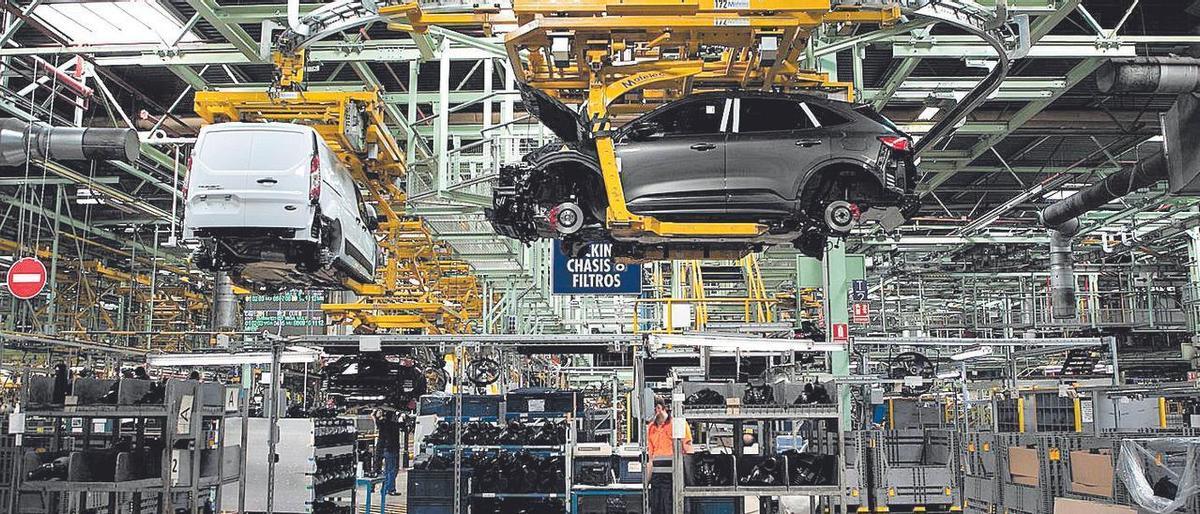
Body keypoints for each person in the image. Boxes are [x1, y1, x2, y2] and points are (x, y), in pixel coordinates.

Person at [646, 397, 692, 514]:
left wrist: (688, 477)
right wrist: (646, 483)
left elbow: (688, 450)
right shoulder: (651, 428)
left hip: (674, 474)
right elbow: (651, 459)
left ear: (659, 408)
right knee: (657, 507)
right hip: (657, 476)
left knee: (671, 506)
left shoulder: (678, 424)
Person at [373, 409, 402, 496]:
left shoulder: (383, 423)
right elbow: (403, 424)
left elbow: (377, 420)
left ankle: (385, 489)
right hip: (391, 450)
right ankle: (389, 489)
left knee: (388, 470)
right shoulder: (393, 425)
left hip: (386, 449)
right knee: (391, 470)